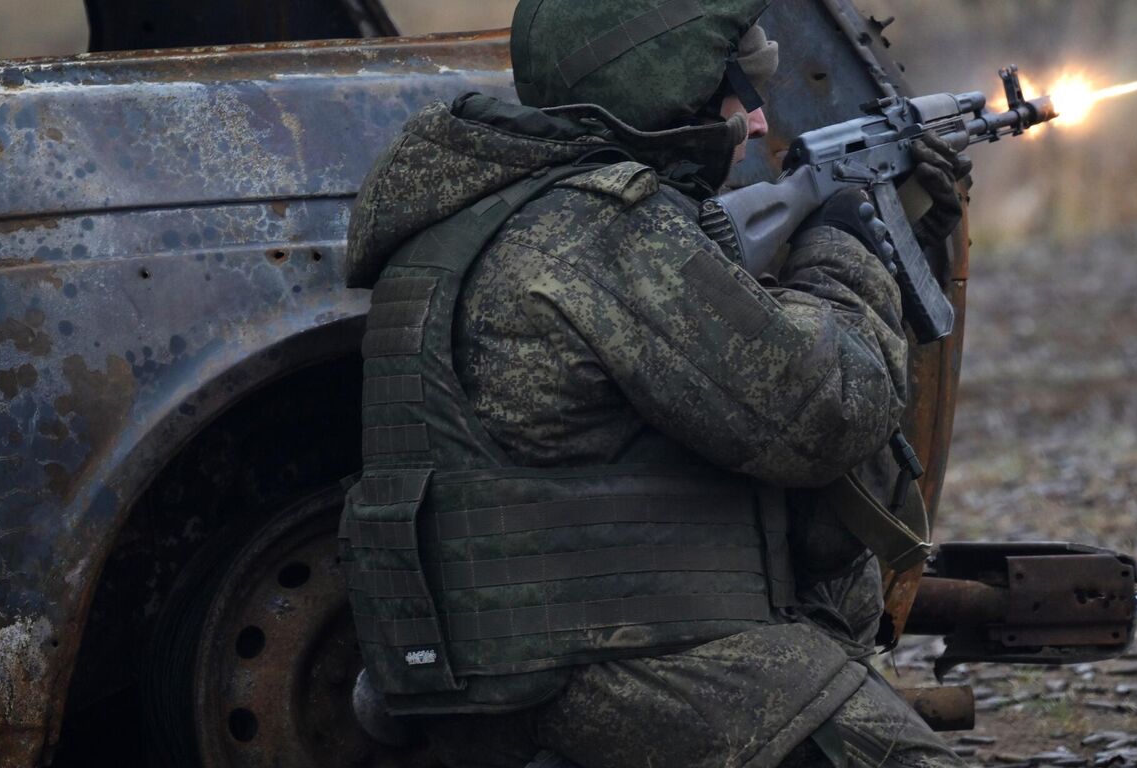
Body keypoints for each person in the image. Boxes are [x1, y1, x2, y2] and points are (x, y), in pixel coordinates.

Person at [338, 0, 972, 765]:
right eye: (741, 88)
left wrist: (898, 240)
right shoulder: (602, 233)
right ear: (671, 94)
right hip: (630, 666)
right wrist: (846, 248)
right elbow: (824, 412)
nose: (761, 122)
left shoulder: (478, 221)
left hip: (507, 675)